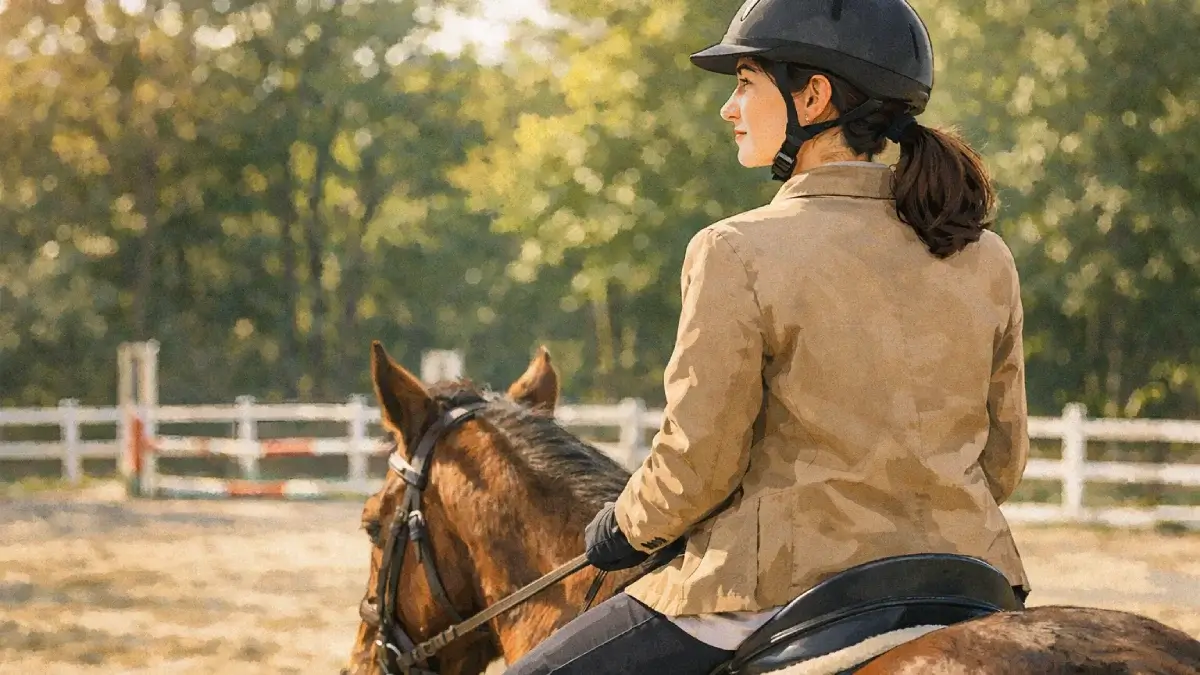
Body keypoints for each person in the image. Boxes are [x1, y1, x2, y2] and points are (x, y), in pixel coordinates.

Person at [504, 0, 1031, 673]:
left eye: (746, 82)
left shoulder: (734, 250)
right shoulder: (985, 255)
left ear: (812, 96)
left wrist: (627, 525)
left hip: (777, 586)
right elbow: (1004, 459)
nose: (730, 108)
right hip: (971, 576)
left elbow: (699, 465)